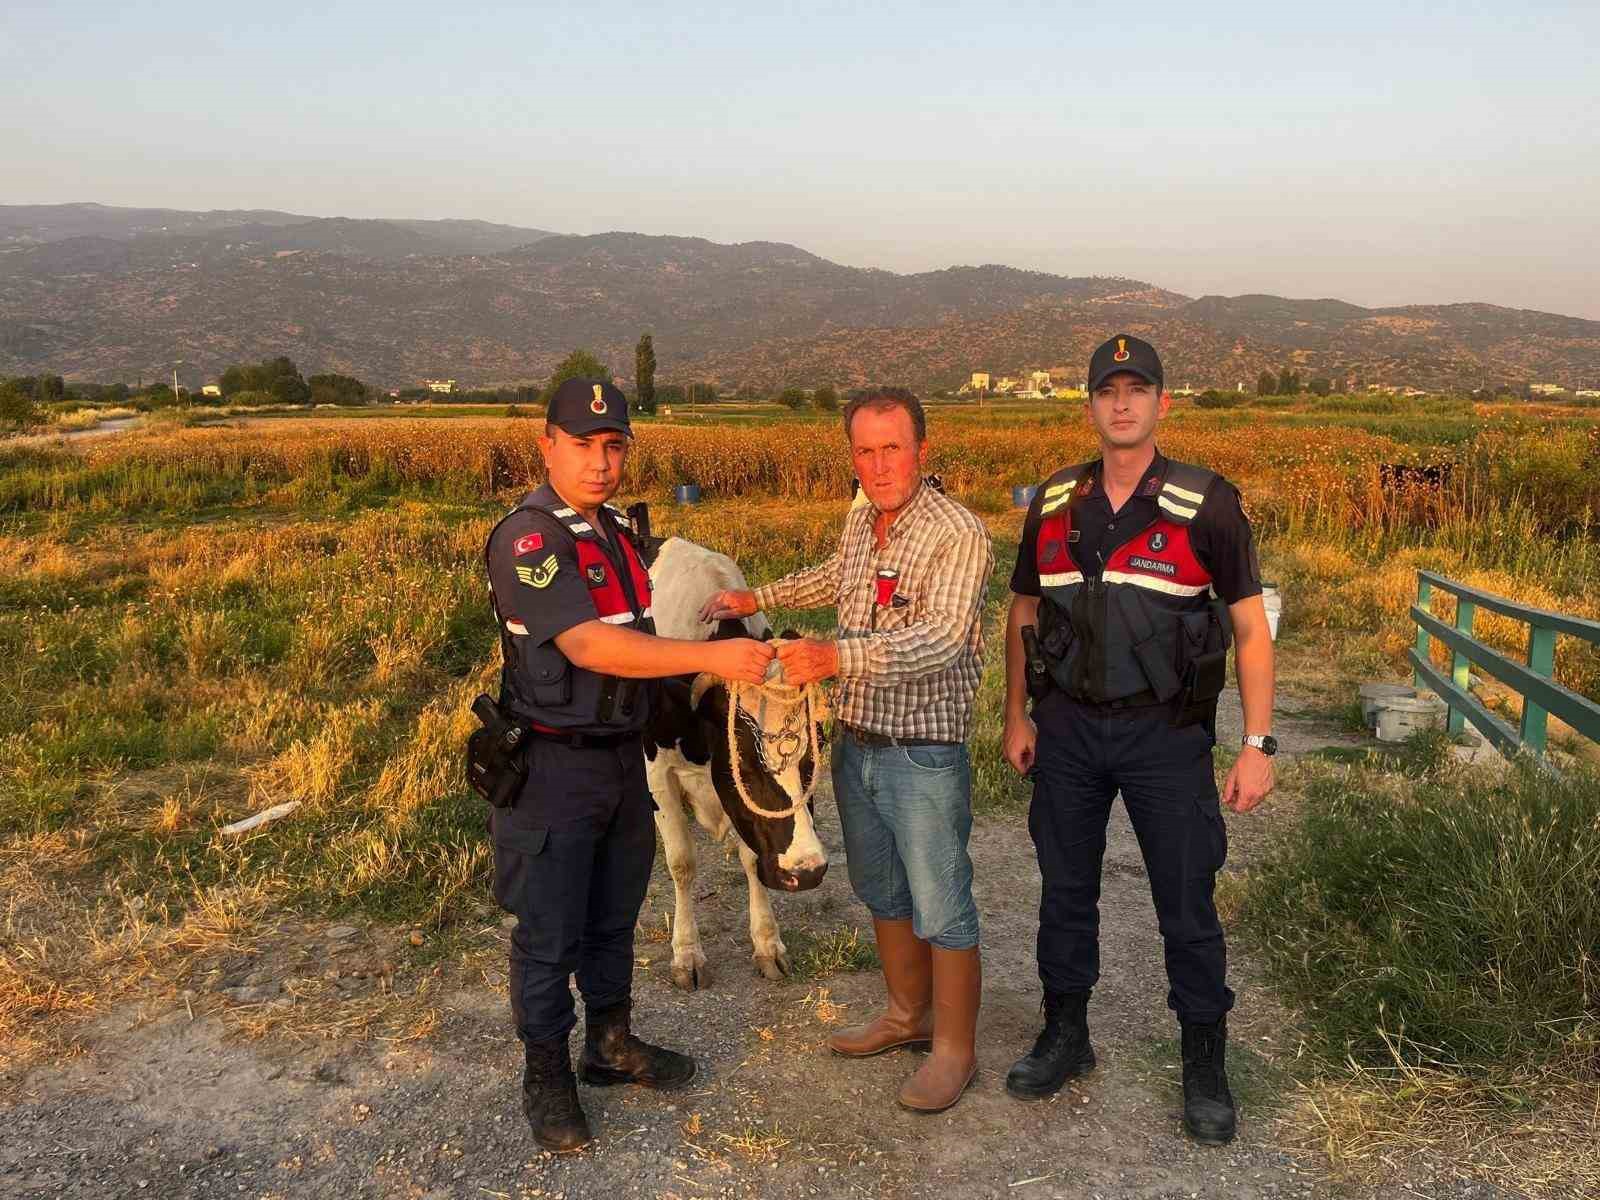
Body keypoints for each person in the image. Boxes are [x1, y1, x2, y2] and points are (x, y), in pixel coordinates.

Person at [483, 377, 775, 1152]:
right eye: (583, 445)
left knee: (613, 917)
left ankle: (610, 1044)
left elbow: (642, 648)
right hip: (553, 767)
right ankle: (547, 1076)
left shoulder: (615, 533)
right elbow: (589, 644)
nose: (601, 462)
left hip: (621, 758)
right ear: (547, 445)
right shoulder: (529, 539)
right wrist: (711, 658)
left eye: (614, 446)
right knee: (550, 932)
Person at [1002, 335, 1276, 1145]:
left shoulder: (1206, 502)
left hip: (1166, 732)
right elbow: (1023, 612)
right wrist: (1016, 714)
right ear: (1089, 403)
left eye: (1136, 389)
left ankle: (1204, 1063)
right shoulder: (1054, 503)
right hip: (1069, 729)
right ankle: (1066, 1034)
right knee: (1064, 890)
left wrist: (1257, 743)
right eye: (1107, 390)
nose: (1121, 403)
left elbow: (1250, 630)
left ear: (1162, 401)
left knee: (1186, 899)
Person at [700, 387, 994, 1113]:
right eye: (865, 451)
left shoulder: (958, 532)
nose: (879, 464)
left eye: (893, 448)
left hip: (923, 751)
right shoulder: (864, 522)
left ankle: (954, 1051)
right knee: (882, 888)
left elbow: (942, 638)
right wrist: (756, 597)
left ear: (922, 450)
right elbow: (836, 576)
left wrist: (836, 657)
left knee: (941, 900)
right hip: (857, 743)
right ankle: (906, 1015)